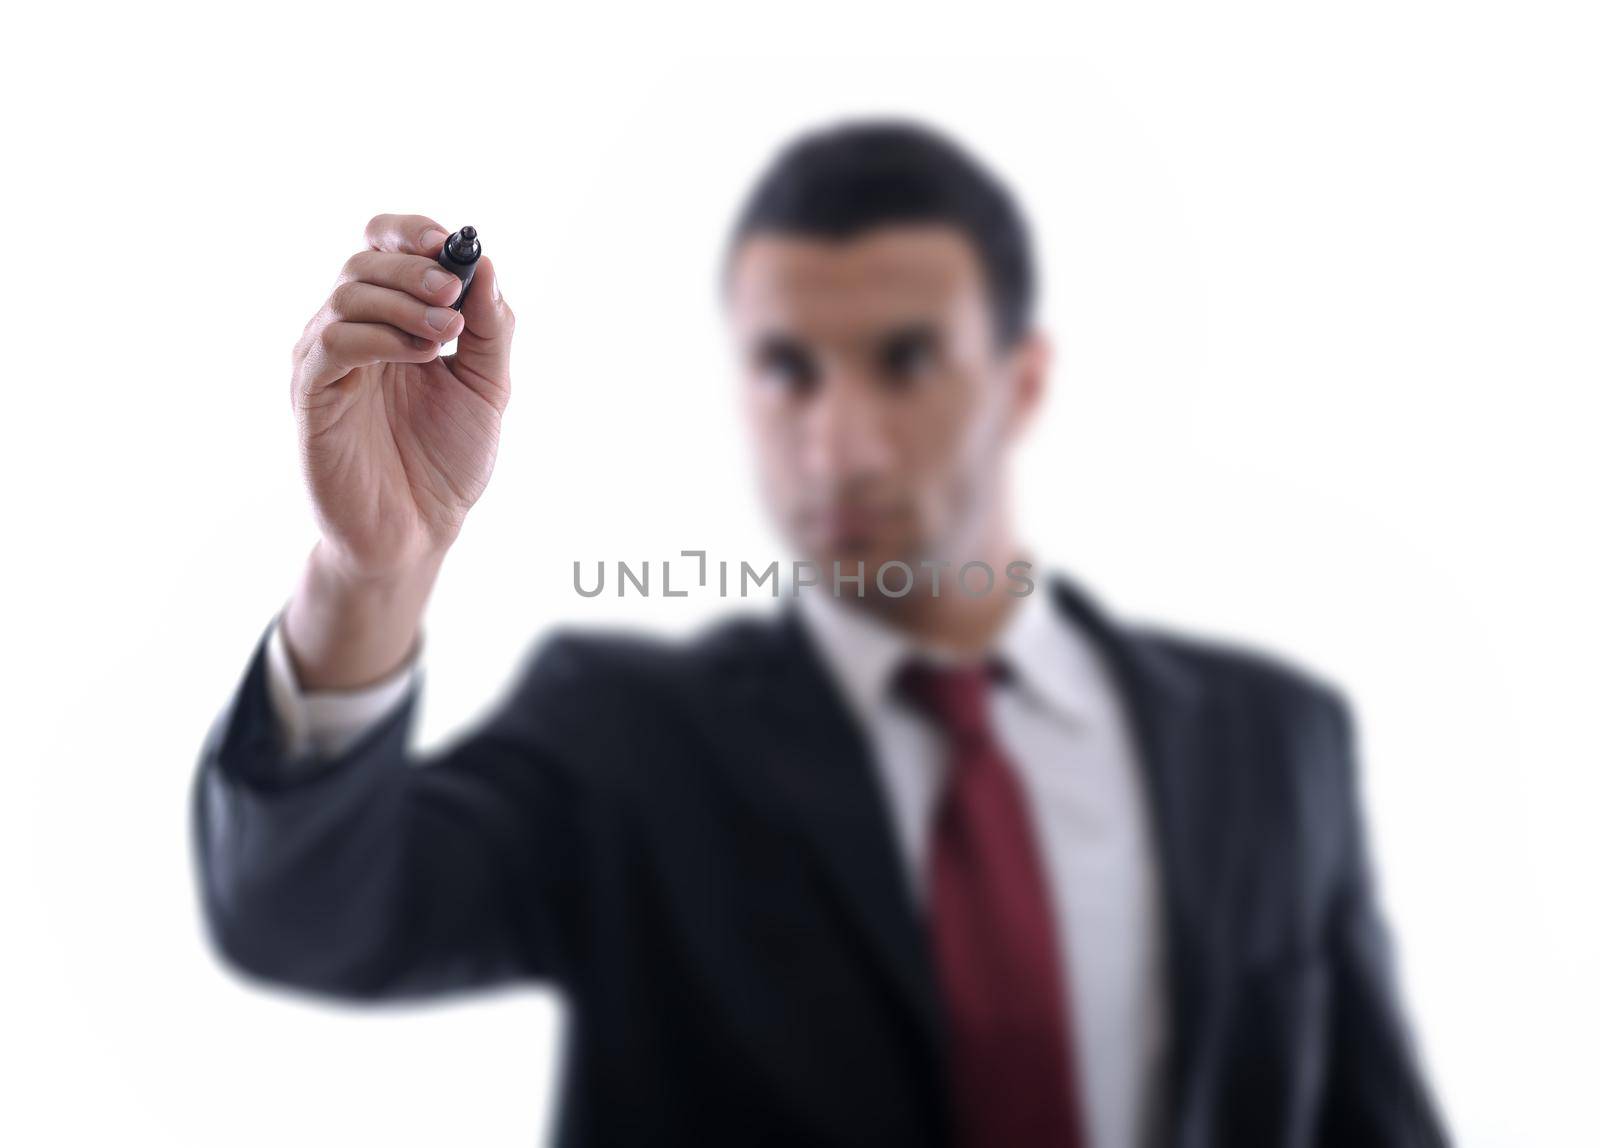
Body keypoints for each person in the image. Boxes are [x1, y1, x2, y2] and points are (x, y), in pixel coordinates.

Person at [191, 119, 1449, 1148]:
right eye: (787, 366)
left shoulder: (1275, 741)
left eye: (905, 361)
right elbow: (303, 913)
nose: (837, 437)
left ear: (1020, 379)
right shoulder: (630, 741)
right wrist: (374, 571)